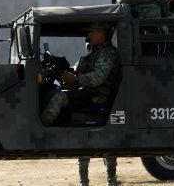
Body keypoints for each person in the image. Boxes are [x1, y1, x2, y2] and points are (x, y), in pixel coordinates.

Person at [40, 22, 120, 186]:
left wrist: (76, 79)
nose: (88, 36)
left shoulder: (108, 54)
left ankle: (38, 132)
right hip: (89, 93)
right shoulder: (93, 54)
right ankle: (84, 181)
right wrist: (71, 78)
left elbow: (98, 78)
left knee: (58, 98)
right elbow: (81, 74)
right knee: (52, 95)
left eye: (91, 32)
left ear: (102, 33)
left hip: (99, 97)